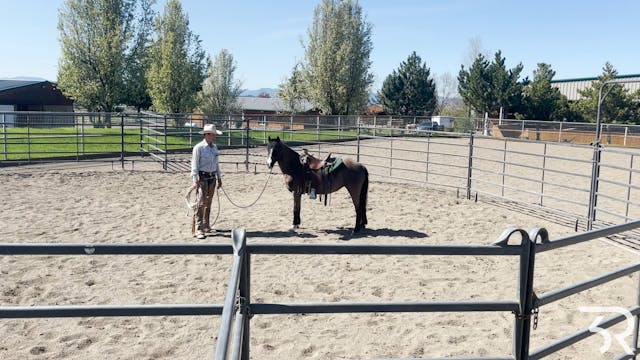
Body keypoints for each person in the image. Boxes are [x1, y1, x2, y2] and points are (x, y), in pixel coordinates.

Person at [191, 123, 223, 239]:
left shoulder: (214, 148)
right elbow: (194, 165)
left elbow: (216, 164)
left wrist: (219, 177)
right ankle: (199, 228)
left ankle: (206, 225)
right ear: (207, 135)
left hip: (212, 177)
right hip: (202, 178)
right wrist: (195, 180)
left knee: (208, 202)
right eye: (213, 135)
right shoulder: (198, 148)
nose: (215, 137)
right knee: (200, 203)